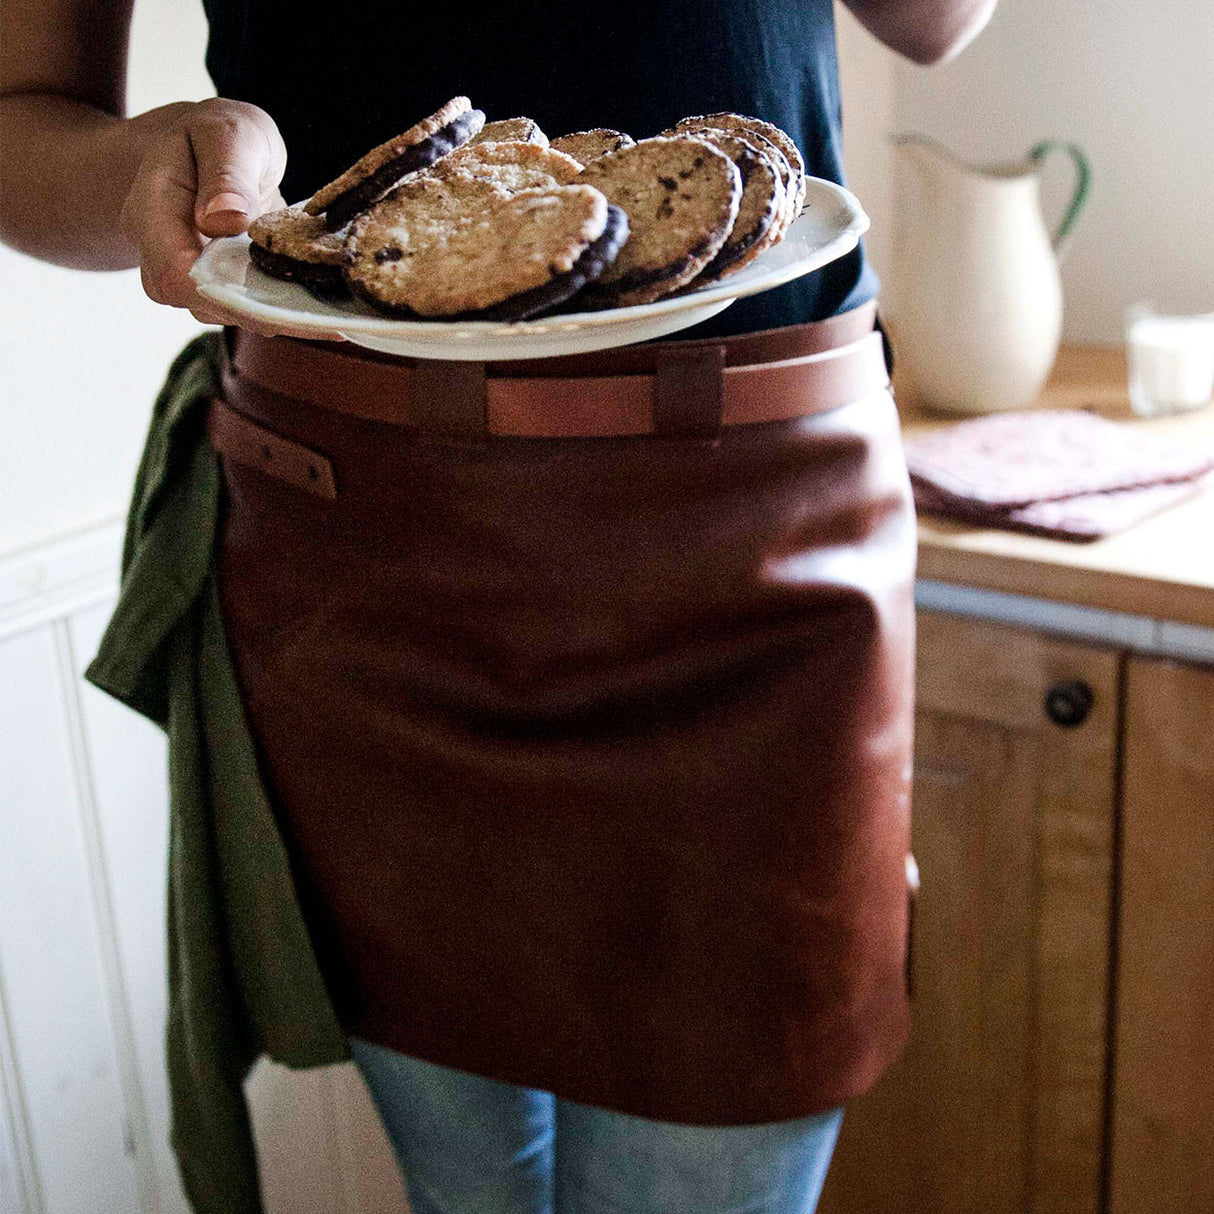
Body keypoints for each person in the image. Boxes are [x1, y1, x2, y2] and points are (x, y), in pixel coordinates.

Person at [1, 2, 995, 1212]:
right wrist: (145, 165)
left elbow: (939, 21)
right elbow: (20, 121)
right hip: (361, 561)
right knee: (463, 1193)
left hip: (756, 551)